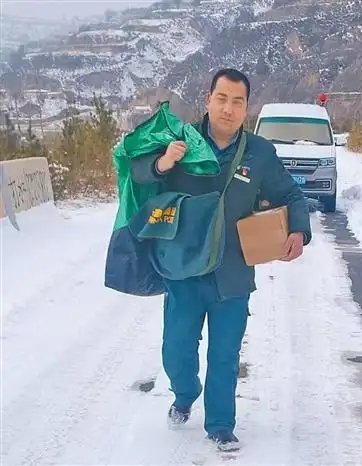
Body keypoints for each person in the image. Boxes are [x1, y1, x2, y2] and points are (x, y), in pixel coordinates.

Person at [131, 68, 311, 451]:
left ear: (247, 107)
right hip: (183, 268)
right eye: (222, 98)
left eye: (237, 101)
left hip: (232, 272)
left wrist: (298, 230)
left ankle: (220, 424)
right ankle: (185, 392)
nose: (228, 108)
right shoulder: (181, 141)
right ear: (208, 99)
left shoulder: (260, 153)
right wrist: (162, 164)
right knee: (176, 349)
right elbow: (138, 173)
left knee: (225, 355)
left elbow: (291, 195)